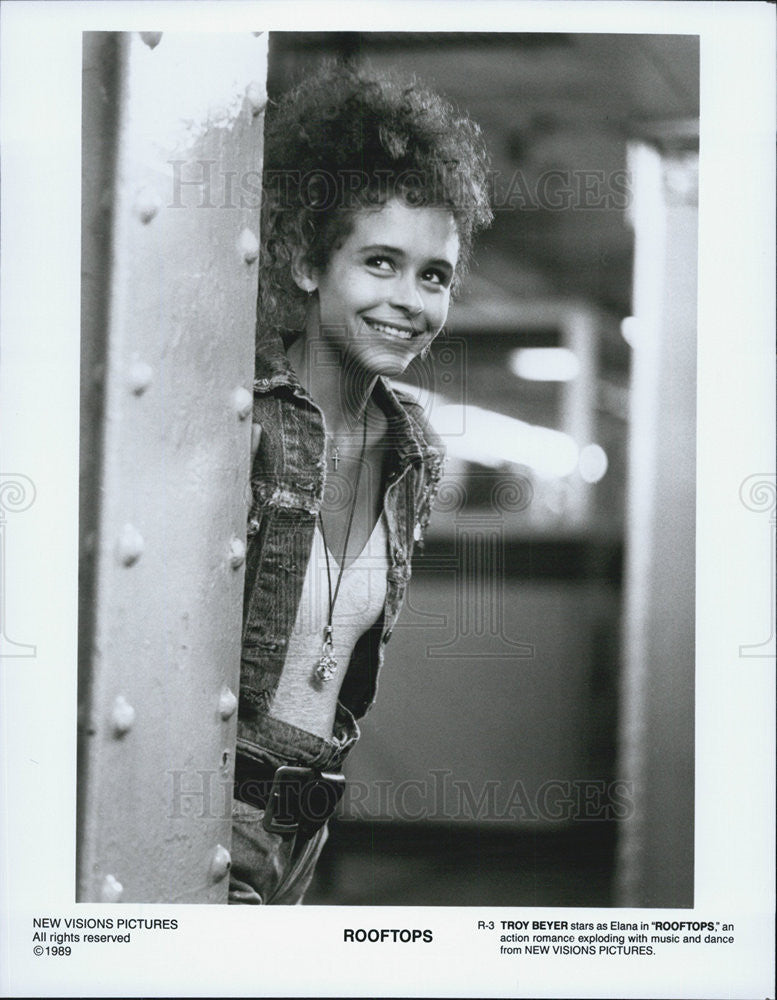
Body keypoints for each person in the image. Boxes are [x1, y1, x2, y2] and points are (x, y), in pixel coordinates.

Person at [228, 60, 492, 904]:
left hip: (308, 821)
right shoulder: (240, 423)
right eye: (379, 262)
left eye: (434, 275)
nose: (409, 300)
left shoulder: (416, 452)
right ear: (310, 264)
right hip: (217, 809)